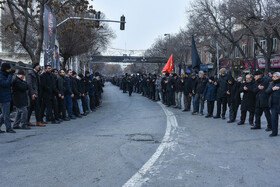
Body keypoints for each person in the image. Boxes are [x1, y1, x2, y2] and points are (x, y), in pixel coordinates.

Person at [0, 63, 15, 133]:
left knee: (4, 114)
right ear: (5, 69)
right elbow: (5, 84)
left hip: (6, 96)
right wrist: (10, 76)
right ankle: (8, 128)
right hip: (3, 97)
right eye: (9, 69)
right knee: (6, 114)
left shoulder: (5, 75)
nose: (10, 70)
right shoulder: (1, 76)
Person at [265, 72, 280, 137]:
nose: (272, 78)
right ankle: (274, 132)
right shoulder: (272, 84)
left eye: (274, 76)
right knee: (274, 119)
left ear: (278, 77)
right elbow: (267, 91)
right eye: (273, 76)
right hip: (273, 105)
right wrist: (272, 89)